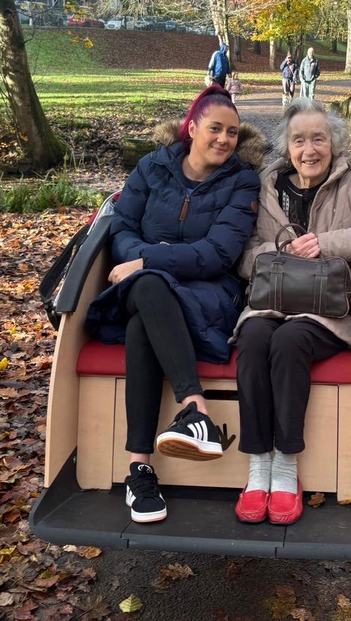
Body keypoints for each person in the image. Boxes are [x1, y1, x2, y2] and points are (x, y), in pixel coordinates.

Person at [84, 85, 263, 524]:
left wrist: (147, 260)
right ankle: (195, 410)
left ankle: (139, 468)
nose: (224, 139)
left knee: (145, 305)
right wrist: (137, 260)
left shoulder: (243, 180)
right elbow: (121, 227)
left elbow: (219, 253)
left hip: (211, 293)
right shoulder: (152, 167)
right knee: (149, 290)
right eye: (215, 129)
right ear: (192, 127)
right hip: (142, 284)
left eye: (233, 133)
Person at [231, 99, 351, 525]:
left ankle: (286, 468)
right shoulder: (266, 187)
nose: (309, 149)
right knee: (254, 340)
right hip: (272, 301)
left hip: (334, 309)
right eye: (298, 140)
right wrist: (281, 250)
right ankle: (258, 467)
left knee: (290, 342)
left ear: (334, 143)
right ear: (286, 147)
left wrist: (325, 243)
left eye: (318, 139)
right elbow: (243, 257)